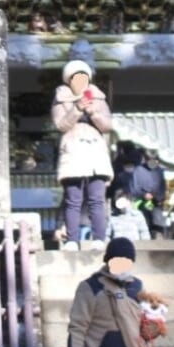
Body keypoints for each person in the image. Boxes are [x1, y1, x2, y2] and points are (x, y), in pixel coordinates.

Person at [53, 60, 114, 251]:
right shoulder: (61, 98)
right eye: (76, 77)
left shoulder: (99, 98)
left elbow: (107, 126)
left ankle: (99, 238)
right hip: (73, 152)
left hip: (96, 152)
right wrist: (76, 109)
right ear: (69, 80)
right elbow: (61, 125)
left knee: (97, 199)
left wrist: (92, 111)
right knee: (73, 199)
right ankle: (72, 239)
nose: (80, 81)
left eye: (83, 77)